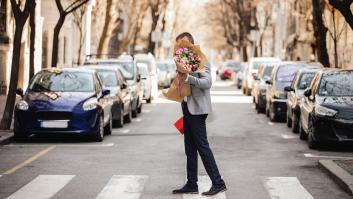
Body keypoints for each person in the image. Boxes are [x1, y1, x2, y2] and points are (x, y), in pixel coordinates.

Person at [172, 32, 227, 196]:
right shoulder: (183, 60)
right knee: (190, 148)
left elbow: (207, 83)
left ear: (191, 44)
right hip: (187, 108)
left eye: (183, 44)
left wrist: (189, 78)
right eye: (179, 45)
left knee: (202, 147)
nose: (181, 47)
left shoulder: (201, 59)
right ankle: (191, 184)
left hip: (198, 110)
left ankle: (218, 182)